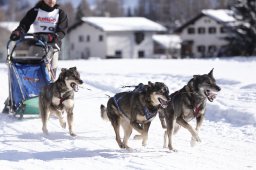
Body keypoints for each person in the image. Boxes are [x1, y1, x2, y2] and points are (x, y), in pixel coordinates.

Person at [10, 0, 68, 77]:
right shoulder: (35, 11)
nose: (51, 1)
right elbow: (24, 25)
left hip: (53, 46)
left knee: (51, 74)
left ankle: (51, 84)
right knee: (33, 72)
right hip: (37, 45)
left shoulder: (60, 13)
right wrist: (18, 32)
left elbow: (62, 32)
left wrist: (51, 37)